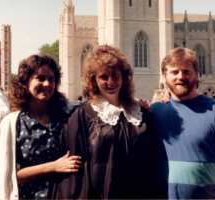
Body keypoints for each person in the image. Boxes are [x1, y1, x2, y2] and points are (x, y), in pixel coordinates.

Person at [52, 45, 156, 199]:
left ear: (124, 76)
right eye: (103, 77)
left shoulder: (140, 112)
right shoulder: (82, 116)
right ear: (93, 80)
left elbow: (151, 158)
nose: (111, 81)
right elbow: (74, 174)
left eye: (115, 74)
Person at [0, 54, 82, 200]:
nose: (47, 84)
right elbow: (8, 176)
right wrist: (53, 166)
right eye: (40, 78)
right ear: (26, 83)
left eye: (51, 79)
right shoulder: (13, 124)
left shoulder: (66, 117)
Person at [151, 47, 215, 199]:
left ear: (197, 74)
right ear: (164, 76)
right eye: (174, 72)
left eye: (186, 71)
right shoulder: (153, 112)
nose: (181, 77)